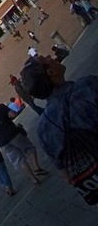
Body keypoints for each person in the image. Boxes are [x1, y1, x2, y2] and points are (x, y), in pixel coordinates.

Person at [20, 53, 98, 202]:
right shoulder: (87, 87)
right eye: (46, 58)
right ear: (51, 72)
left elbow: (66, 175)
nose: (50, 56)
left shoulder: (43, 129)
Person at [0, 95, 48, 184]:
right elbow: (13, 114)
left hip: (3, 142)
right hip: (13, 133)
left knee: (19, 160)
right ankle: (36, 167)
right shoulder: (0, 107)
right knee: (30, 148)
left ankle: (33, 179)